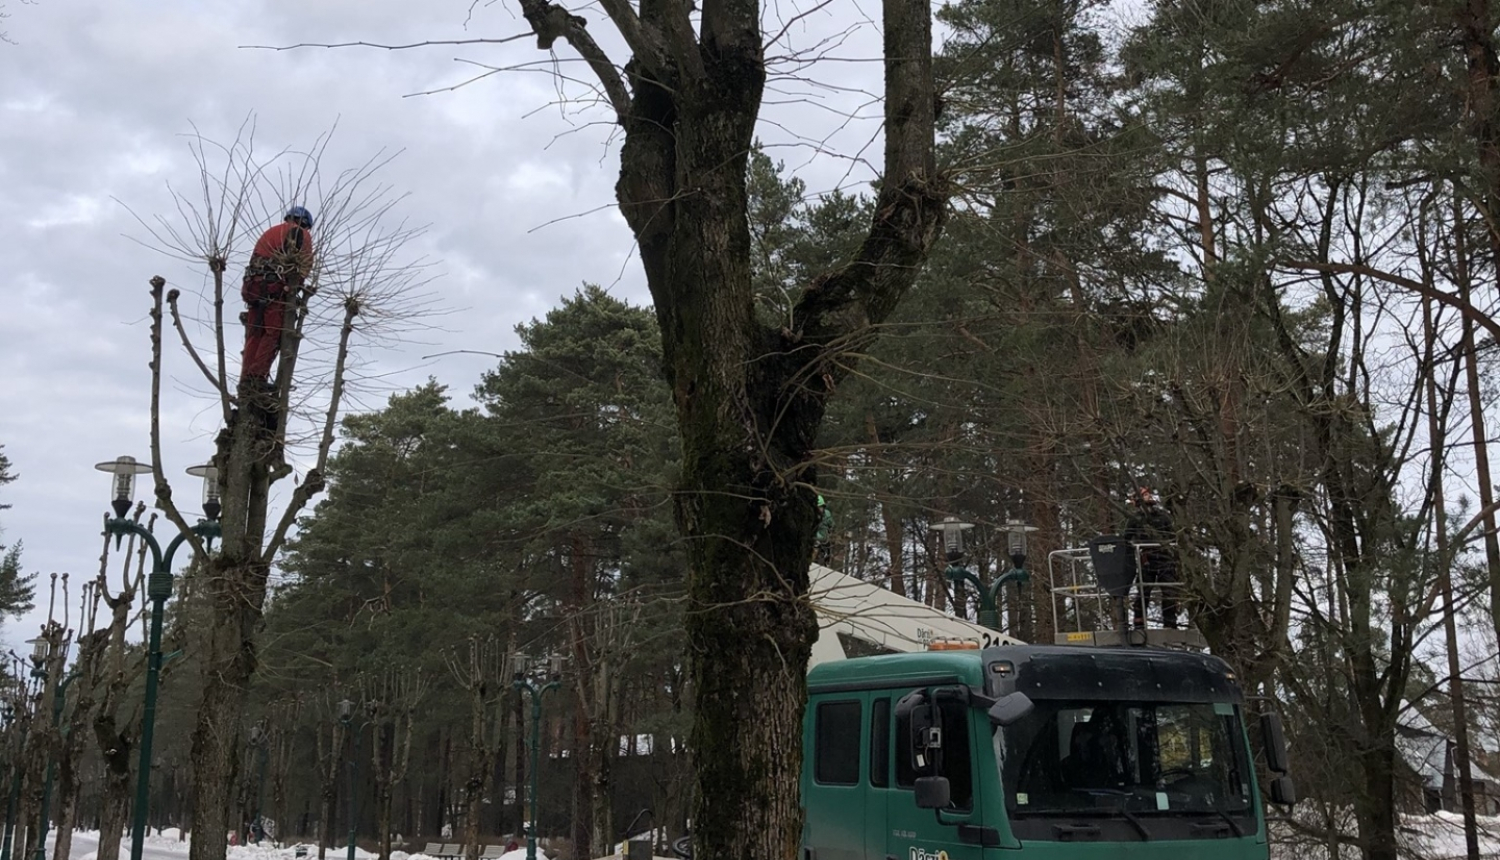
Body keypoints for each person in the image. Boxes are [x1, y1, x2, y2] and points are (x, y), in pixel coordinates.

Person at [240, 206, 315, 393]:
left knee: (254, 333)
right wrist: (295, 287)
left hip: (252, 286)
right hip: (273, 288)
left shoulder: (271, 232)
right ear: (305, 223)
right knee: (273, 334)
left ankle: (246, 378)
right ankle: (257, 379)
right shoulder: (301, 233)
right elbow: (303, 266)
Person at [1123, 487, 1180, 629]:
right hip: (1147, 558)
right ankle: (1139, 623)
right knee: (1143, 591)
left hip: (1165, 557)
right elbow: (1126, 539)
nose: (1148, 497)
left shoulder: (1163, 516)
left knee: (1169, 591)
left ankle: (1170, 623)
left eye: (1148, 494)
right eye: (1144, 495)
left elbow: (1173, 535)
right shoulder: (1135, 519)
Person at [813, 494, 834, 565]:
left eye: (821, 507)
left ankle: (827, 560)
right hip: (816, 535)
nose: (820, 509)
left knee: (828, 546)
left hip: (824, 536)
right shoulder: (813, 515)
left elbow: (831, 523)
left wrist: (831, 528)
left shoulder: (827, 514)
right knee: (815, 545)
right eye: (818, 507)